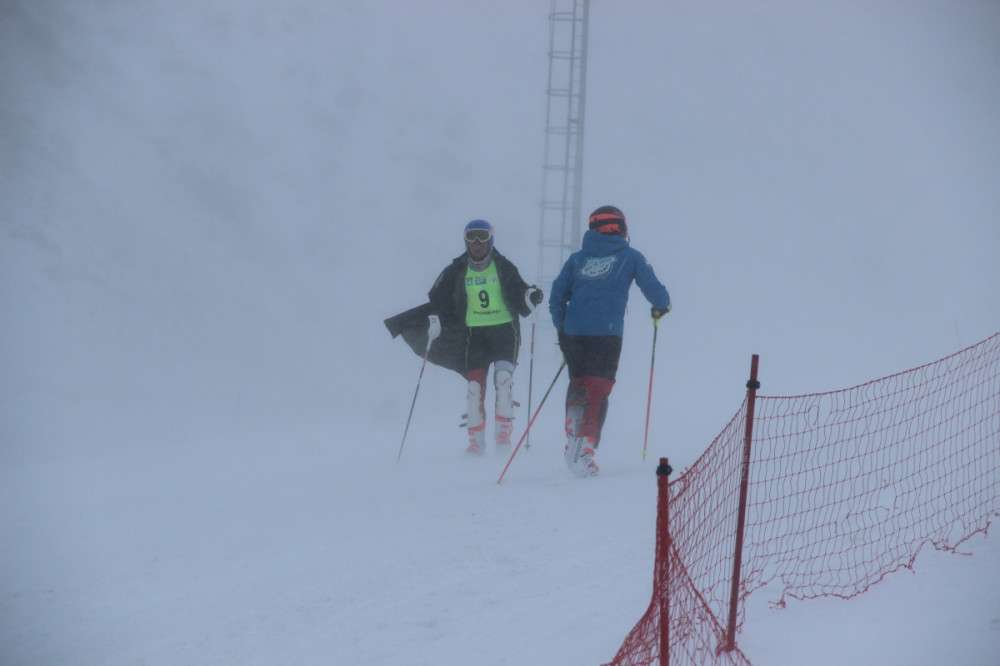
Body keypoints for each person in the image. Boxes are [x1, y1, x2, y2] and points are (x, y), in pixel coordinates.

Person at [548, 205, 671, 477]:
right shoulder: (630, 256)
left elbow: (557, 295)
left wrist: (562, 325)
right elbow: (654, 289)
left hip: (574, 332)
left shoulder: (577, 260)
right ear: (623, 229)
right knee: (599, 387)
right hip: (607, 332)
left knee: (579, 382)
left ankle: (572, 433)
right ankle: (586, 449)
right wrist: (661, 306)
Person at [425, 219, 543, 455]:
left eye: (482, 237)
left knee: (503, 381)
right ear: (465, 240)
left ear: (491, 239)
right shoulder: (457, 268)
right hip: (473, 334)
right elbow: (438, 296)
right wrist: (436, 318)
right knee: (474, 388)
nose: (477, 243)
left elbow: (520, 291)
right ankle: (475, 442)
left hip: (504, 332)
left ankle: (503, 437)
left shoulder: (502, 266)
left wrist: (530, 296)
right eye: (471, 237)